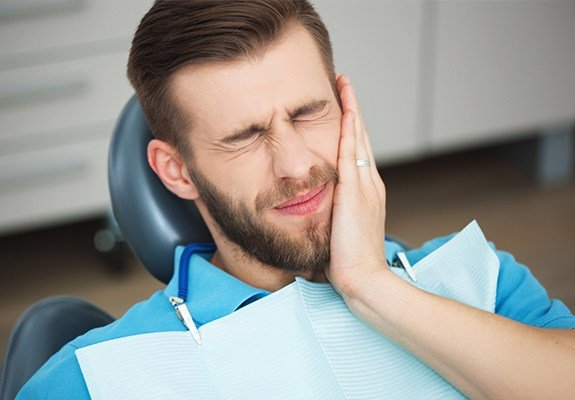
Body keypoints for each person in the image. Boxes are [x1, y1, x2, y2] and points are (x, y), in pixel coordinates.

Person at [17, 0, 575, 398]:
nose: (298, 165)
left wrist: (374, 287)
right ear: (177, 171)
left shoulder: (478, 279)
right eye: (246, 137)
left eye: (309, 113)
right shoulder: (96, 377)